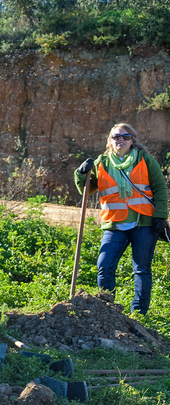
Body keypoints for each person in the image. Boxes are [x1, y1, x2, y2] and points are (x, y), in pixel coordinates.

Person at [75, 123, 169, 315]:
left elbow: (160, 188)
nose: (121, 140)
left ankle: (139, 314)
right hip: (115, 223)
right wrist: (80, 174)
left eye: (125, 137)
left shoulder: (145, 160)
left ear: (132, 140)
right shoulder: (101, 162)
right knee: (104, 265)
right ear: (109, 141)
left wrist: (160, 215)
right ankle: (107, 310)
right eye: (116, 137)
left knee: (141, 269)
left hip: (144, 222)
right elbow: (87, 189)